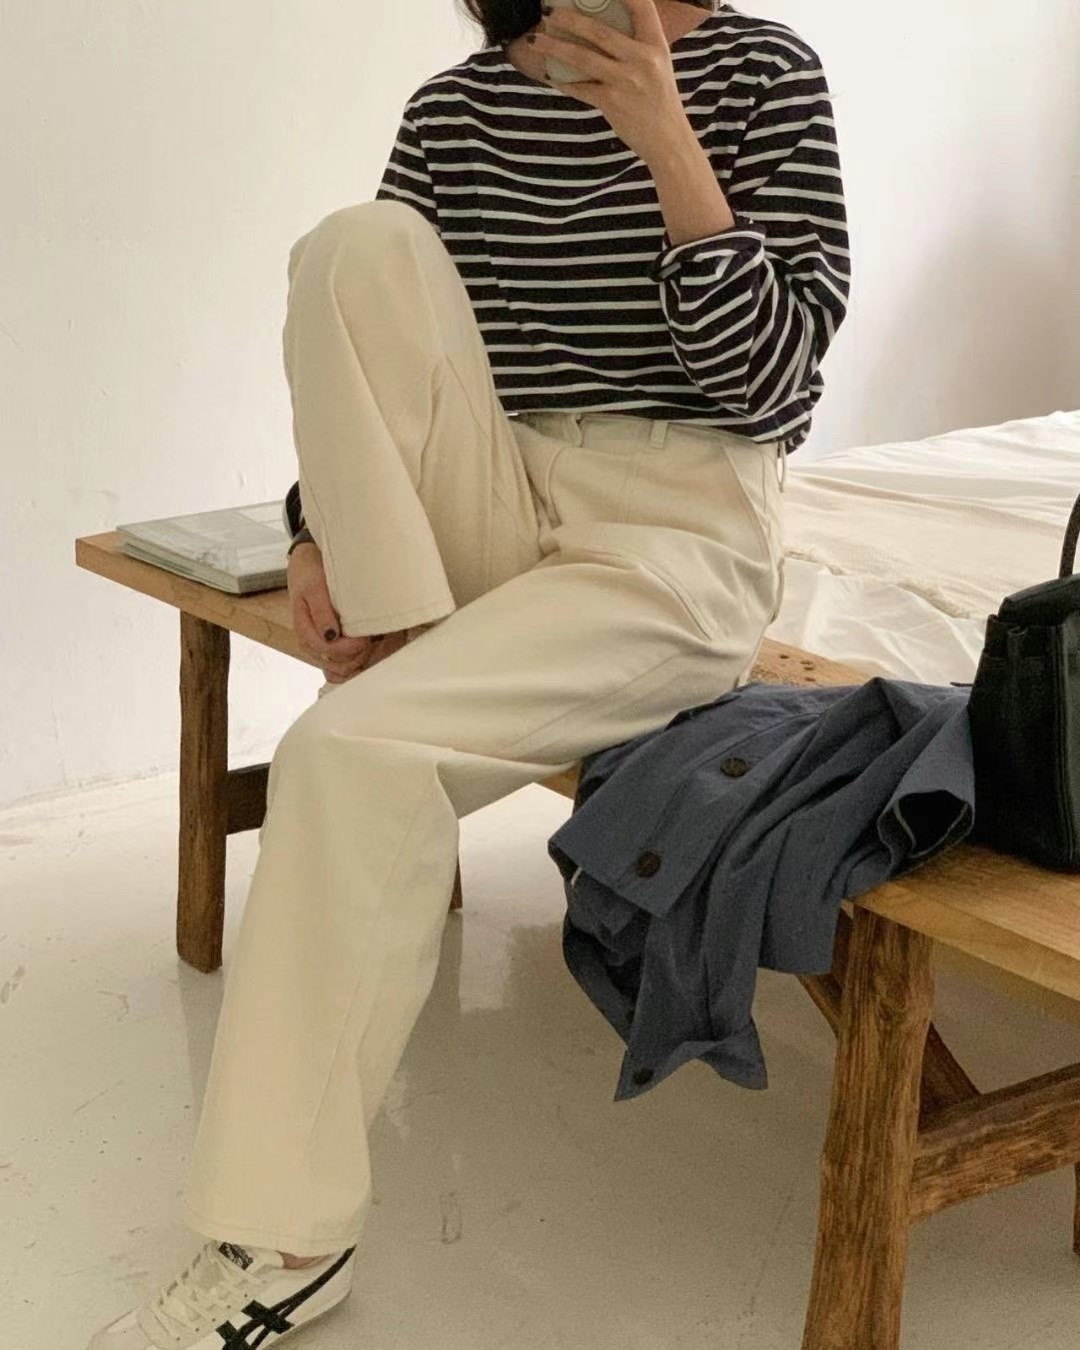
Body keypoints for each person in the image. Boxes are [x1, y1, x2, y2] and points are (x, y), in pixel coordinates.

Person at [89, 1, 849, 1344]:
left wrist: (669, 142)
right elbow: (389, 371)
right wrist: (319, 531)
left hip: (675, 531)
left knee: (345, 754)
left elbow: (775, 390)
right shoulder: (458, 109)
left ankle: (287, 1236)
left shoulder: (761, 71)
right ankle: (389, 644)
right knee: (352, 246)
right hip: (496, 500)